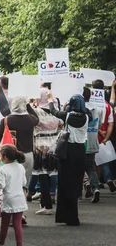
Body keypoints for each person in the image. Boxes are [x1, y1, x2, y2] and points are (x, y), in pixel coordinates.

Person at [48, 93, 90, 226]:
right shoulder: (87, 117)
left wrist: (51, 100)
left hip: (67, 152)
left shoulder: (68, 116)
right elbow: (87, 110)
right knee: (75, 184)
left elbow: (53, 111)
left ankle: (65, 215)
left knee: (65, 183)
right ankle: (73, 215)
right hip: (80, 152)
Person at [0, 96, 39, 189]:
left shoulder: (6, 120)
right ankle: (22, 201)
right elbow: (36, 118)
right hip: (28, 156)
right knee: (24, 185)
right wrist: (28, 105)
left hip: (11, 156)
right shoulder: (31, 119)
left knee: (10, 186)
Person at [30, 88, 61, 214]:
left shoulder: (36, 112)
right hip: (54, 147)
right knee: (51, 173)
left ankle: (46, 205)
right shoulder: (56, 112)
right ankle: (50, 200)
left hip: (40, 147)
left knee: (42, 175)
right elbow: (61, 124)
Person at [0, 145, 27, 246]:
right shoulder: (20, 167)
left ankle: (1, 242)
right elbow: (24, 183)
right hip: (19, 198)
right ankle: (19, 244)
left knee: (5, 224)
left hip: (8, 199)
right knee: (17, 224)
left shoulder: (2, 169)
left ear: (5, 157)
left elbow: (1, 185)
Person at [93, 80, 116, 191]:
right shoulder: (107, 106)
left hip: (92, 135)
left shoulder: (91, 105)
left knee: (91, 161)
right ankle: (108, 179)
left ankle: (95, 183)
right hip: (103, 137)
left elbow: (92, 122)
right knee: (104, 160)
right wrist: (106, 137)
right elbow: (111, 124)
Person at [82, 87, 102, 203]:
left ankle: (83, 188)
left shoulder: (79, 109)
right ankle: (95, 188)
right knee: (90, 167)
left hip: (81, 142)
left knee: (79, 167)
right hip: (93, 141)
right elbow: (99, 125)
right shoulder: (98, 109)